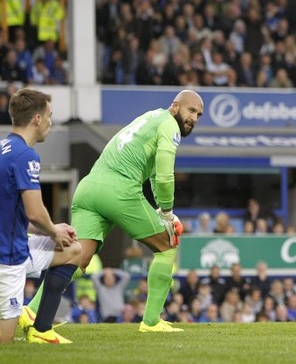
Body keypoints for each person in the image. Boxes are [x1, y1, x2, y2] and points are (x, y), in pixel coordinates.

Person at [22, 89, 204, 333]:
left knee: (77, 258)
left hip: (88, 188)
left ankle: (31, 310)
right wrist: (168, 214)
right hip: (119, 190)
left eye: (199, 115)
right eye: (191, 110)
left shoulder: (150, 118)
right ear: (175, 107)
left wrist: (161, 209)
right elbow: (163, 174)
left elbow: (150, 174)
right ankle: (151, 322)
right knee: (168, 245)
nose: (194, 118)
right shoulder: (170, 126)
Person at [0, 88, 80, 344]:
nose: (50, 122)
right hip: (8, 259)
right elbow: (34, 212)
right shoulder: (26, 156)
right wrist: (53, 231)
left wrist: (49, 229)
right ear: (36, 118)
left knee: (73, 249)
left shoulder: (3, 148)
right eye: (49, 115)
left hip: (13, 244)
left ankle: (41, 329)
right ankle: (36, 327)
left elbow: (13, 210)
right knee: (5, 346)